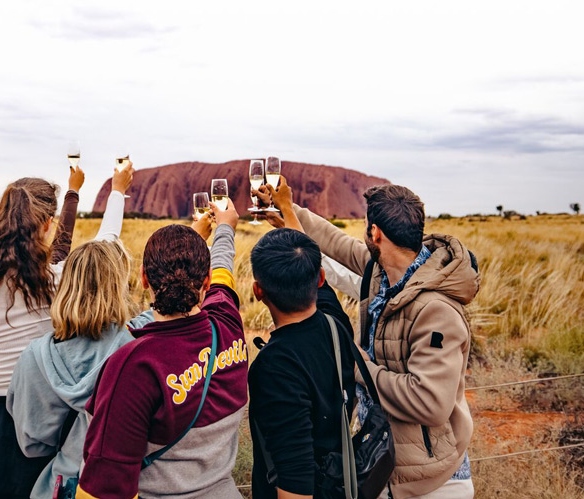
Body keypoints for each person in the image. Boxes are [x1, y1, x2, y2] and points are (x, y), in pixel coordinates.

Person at [262, 178, 479, 499]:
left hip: (434, 481)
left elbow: (431, 404)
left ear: (375, 233)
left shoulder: (437, 311)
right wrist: (287, 208)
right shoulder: (382, 270)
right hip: (386, 462)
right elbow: (334, 241)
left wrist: (358, 366)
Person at [0, 163, 133, 499]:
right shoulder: (57, 281)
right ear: (48, 224)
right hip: (40, 422)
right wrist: (118, 190)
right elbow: (107, 242)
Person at [78, 199, 249, 499]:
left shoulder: (133, 366)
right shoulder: (228, 323)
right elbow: (223, 268)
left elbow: (105, 487)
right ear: (206, 282)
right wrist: (225, 228)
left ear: (144, 278)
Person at [7, 238, 153, 499]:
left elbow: (31, 444)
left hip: (62, 485)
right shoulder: (135, 352)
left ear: (66, 286)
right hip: (122, 487)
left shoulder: (34, 358)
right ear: (116, 288)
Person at [247, 227, 356, 499]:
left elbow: (296, 481)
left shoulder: (274, 367)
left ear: (258, 291)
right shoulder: (336, 324)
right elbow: (312, 267)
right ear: (320, 278)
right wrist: (285, 206)